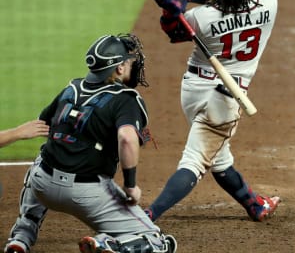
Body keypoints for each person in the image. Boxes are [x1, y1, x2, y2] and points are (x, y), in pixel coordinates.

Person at [3, 34, 177, 253]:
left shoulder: (71, 88)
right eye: (128, 61)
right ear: (119, 68)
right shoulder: (126, 99)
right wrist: (131, 185)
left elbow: (46, 124)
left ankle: (20, 238)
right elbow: (126, 138)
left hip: (42, 186)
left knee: (43, 157)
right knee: (159, 242)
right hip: (86, 193)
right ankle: (108, 244)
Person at [145, 0, 280, 223]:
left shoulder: (201, 18)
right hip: (226, 97)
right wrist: (183, 2)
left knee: (217, 156)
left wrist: (177, 4)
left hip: (193, 91)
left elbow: (173, 31)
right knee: (195, 161)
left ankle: (255, 205)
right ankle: (147, 215)